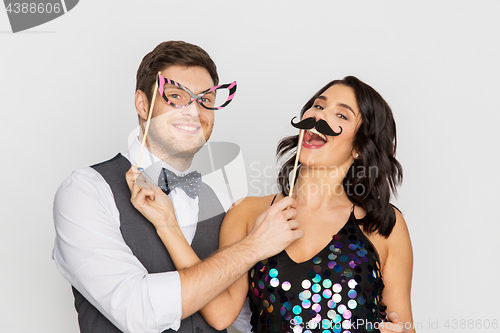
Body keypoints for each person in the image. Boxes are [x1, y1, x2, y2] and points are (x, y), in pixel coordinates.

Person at [127, 76, 415, 333]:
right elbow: (220, 314)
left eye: (341, 114)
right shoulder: (249, 213)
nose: (319, 117)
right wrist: (167, 225)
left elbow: (403, 325)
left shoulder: (383, 224)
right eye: (318, 106)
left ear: (358, 149)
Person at [52, 41, 304, 333]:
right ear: (142, 104)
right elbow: (137, 311)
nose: (194, 112)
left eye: (205, 100)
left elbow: (254, 318)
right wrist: (254, 246)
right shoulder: (86, 190)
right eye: (175, 96)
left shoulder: (226, 205)